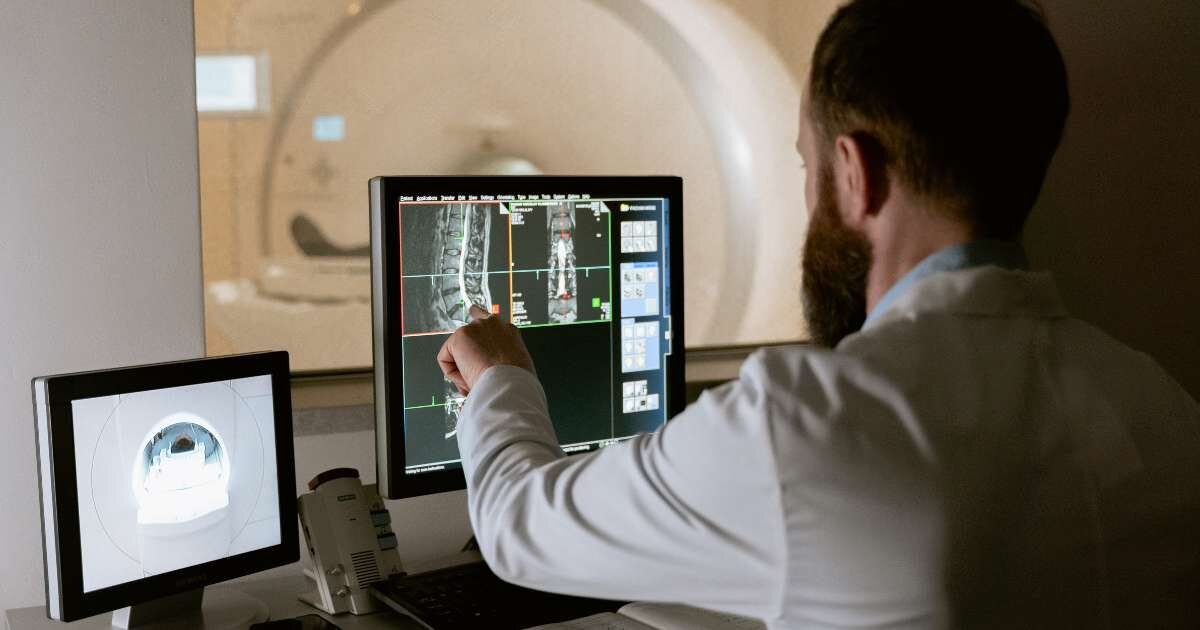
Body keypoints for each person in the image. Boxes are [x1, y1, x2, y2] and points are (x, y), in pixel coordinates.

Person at [437, 1, 1200, 627]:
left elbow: (518, 528)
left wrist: (502, 375)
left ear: (854, 172)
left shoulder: (806, 420)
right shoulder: (1158, 407)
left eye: (807, 164)